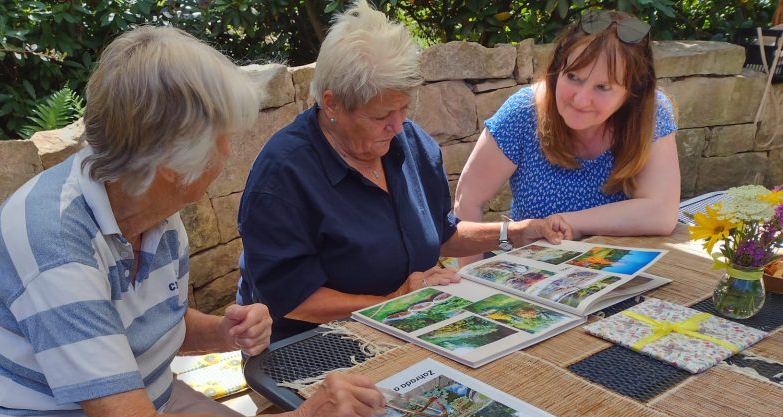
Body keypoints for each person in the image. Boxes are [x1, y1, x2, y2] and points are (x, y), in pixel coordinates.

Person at [0, 26, 385, 417]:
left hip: (154, 405)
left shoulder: (149, 204)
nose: (229, 150)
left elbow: (155, 324)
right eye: (222, 136)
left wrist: (223, 333)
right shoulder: (56, 245)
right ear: (171, 163)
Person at [236, 0, 571, 342]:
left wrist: (514, 233)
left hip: (408, 324)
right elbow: (292, 300)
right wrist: (392, 303)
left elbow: (442, 234)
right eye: (382, 116)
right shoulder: (283, 176)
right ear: (332, 104)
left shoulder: (410, 142)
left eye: (404, 109)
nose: (398, 127)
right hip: (316, 345)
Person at [454, 10, 680, 242]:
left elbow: (661, 212)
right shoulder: (523, 112)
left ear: (632, 93)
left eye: (602, 87)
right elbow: (467, 201)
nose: (580, 100)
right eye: (573, 77)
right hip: (535, 271)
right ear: (556, 71)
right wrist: (473, 275)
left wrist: (568, 221)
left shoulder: (651, 113)